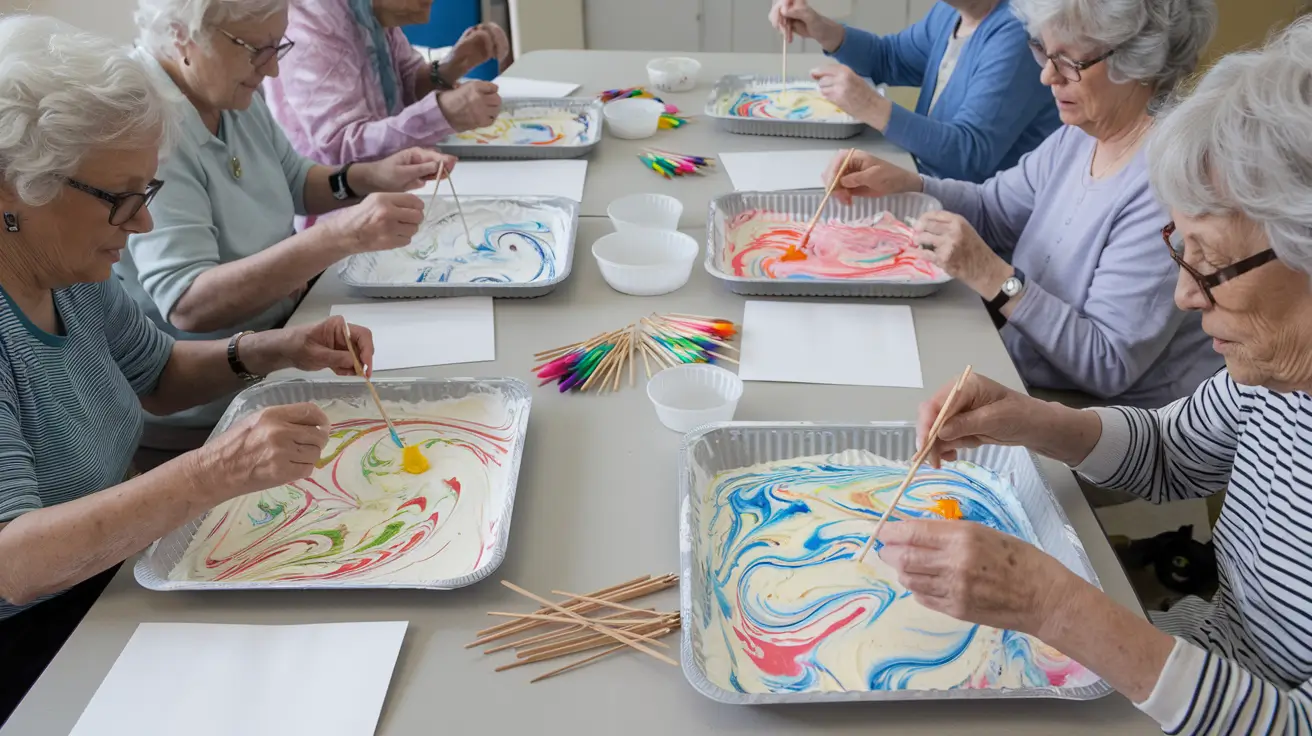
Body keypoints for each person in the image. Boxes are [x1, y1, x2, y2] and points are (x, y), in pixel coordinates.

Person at [878, 18, 1312, 733]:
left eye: (1210, 262)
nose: (1185, 296)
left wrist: (1056, 607)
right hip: (1201, 653)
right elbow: (1177, 452)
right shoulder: (1273, 372)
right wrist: (1030, 419)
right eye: (1183, 251)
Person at [0, 15, 378, 721]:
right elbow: (14, 565)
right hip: (43, 652)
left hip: (122, 574)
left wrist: (274, 349)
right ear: (13, 187)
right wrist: (215, 471)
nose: (142, 225)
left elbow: (159, 375)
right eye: (121, 198)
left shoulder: (69, 269)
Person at [821, 0, 1220, 408]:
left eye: (1067, 62)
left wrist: (993, 276)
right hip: (1024, 368)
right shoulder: (1083, 134)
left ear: (1137, 61)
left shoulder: (1166, 183)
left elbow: (1106, 363)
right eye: (1043, 53)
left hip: (1100, 425)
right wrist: (910, 184)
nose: (1047, 75)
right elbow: (993, 211)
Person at [122, 0, 456, 441]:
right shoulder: (147, 125)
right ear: (184, 35)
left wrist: (374, 174)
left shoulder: (224, 90)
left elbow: (297, 180)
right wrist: (337, 237)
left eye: (277, 46)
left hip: (288, 344)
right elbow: (189, 302)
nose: (273, 71)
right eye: (256, 48)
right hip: (218, 405)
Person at [770, 0, 1060, 183]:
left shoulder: (1016, 34)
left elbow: (968, 155)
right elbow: (889, 57)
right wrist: (823, 29)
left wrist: (871, 105)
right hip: (927, 185)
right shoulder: (952, 12)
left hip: (979, 221)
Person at [265, 0, 508, 165]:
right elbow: (341, 153)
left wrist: (452, 66)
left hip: (394, 183)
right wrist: (440, 113)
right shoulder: (309, 28)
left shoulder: (366, 9)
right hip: (339, 211)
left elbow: (404, 85)